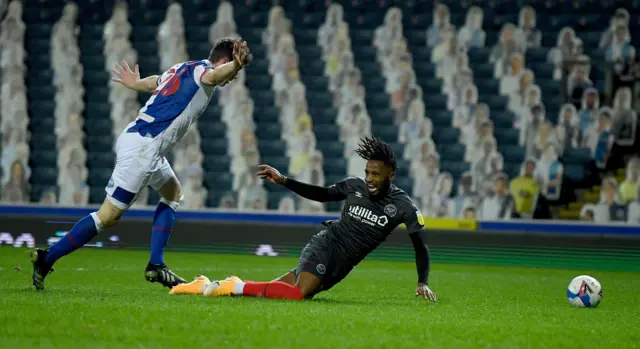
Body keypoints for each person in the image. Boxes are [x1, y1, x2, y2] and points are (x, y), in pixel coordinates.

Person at [30, 38, 253, 291]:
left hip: (143, 142)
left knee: (172, 193)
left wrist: (136, 84)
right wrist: (236, 65)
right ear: (223, 61)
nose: (233, 77)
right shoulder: (205, 72)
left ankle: (156, 265)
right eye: (233, 70)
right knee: (107, 217)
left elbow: (156, 81)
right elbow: (213, 77)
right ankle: (46, 259)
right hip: (144, 148)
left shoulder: (183, 67)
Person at [169, 137, 437, 302]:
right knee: (298, 293)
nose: (369, 178)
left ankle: (203, 285)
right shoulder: (353, 186)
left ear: (391, 176)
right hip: (326, 245)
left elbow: (420, 247)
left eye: (375, 174)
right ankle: (231, 286)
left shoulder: (404, 208)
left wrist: (422, 282)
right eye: (367, 172)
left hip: (342, 266)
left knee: (277, 291)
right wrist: (284, 180)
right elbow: (320, 194)